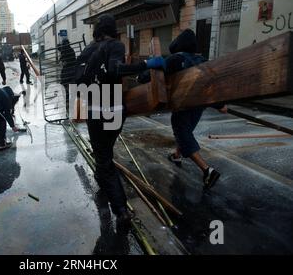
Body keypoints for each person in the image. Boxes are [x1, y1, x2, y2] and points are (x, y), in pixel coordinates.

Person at [81, 14, 147, 226]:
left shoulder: (87, 51)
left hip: (94, 111)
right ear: (114, 31)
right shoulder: (115, 45)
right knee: (104, 157)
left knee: (103, 157)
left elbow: (76, 80)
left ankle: (117, 205)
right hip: (113, 110)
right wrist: (144, 64)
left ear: (97, 32)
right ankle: (121, 209)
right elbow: (115, 69)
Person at [143, 29, 227, 190]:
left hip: (183, 103)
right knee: (186, 130)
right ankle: (176, 155)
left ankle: (207, 170)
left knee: (182, 132)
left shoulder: (176, 59)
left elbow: (157, 71)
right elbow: (209, 84)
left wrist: (142, 77)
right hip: (199, 105)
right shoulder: (203, 60)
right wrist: (220, 104)